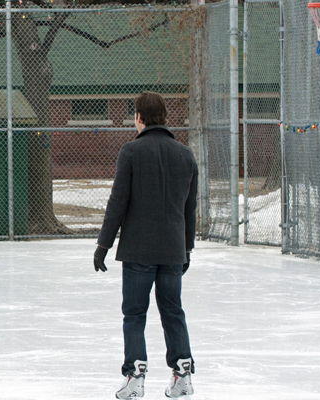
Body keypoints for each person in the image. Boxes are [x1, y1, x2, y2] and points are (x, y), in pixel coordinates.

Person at [93, 91, 197, 399]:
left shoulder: (132, 152)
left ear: (140, 117)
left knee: (135, 313)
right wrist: (186, 248)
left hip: (139, 250)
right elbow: (189, 208)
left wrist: (103, 245)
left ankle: (135, 377)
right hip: (172, 250)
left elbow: (117, 203)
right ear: (164, 117)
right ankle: (183, 374)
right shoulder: (185, 155)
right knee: (173, 311)